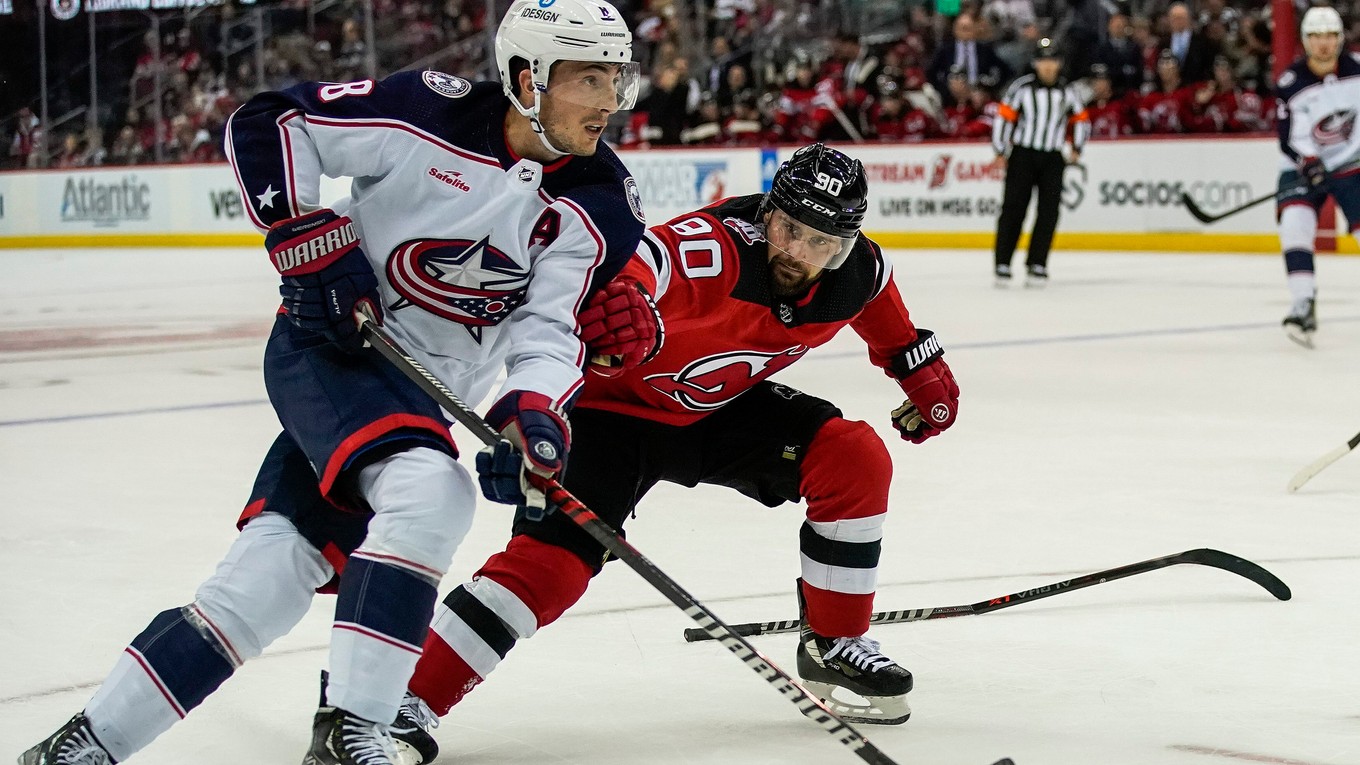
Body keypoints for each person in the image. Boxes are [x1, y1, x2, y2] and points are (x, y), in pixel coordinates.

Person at [18, 1, 647, 763]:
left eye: (616, 77)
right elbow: (272, 122)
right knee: (431, 491)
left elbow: (550, 329)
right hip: (335, 353)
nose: (611, 101)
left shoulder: (604, 202)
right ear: (526, 77)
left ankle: (80, 746)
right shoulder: (425, 112)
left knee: (267, 580)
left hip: (422, 392)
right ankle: (354, 733)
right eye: (588, 78)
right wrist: (298, 226)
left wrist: (534, 411)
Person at [374, 143, 961, 762]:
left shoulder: (859, 274)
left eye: (823, 243)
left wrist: (922, 377)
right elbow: (645, 259)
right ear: (769, 213)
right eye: (789, 229)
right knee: (554, 566)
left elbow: (894, 328)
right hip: (609, 415)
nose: (799, 252)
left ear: (847, 244)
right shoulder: (711, 249)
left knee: (854, 458)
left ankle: (833, 643)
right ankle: (399, 702)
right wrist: (623, 295)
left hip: (714, 408)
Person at [1274, 5, 1360, 347]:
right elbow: (1287, 136)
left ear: (1340, 39)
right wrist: (1308, 162)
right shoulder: (1290, 83)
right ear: (1305, 41)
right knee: (1295, 224)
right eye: (1316, 36)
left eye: (1329, 36)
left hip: (1352, 165)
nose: (1323, 44)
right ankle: (1302, 303)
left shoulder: (1358, 71)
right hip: (1302, 166)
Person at [991, 37, 1089, 287]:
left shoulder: (1068, 91)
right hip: (1023, 154)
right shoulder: (1021, 88)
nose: (1047, 66)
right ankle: (1003, 261)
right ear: (1035, 63)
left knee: (1049, 212)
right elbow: (1004, 118)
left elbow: (1081, 119)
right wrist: (1000, 150)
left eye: (1052, 61)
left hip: (1053, 157)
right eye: (1043, 61)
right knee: (1014, 208)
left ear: (1059, 64)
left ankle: (1038, 262)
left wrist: (1077, 147)